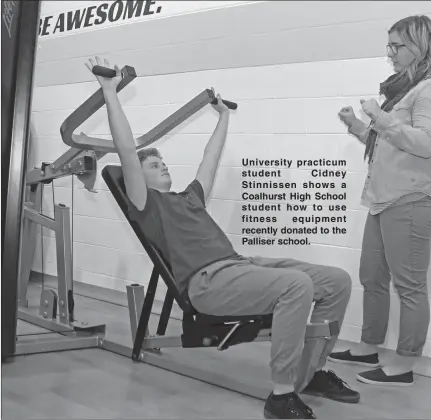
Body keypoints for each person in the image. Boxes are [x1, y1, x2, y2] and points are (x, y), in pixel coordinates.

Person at [86, 56, 360, 419]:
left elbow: (209, 158)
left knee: (337, 282)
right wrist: (109, 91)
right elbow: (125, 150)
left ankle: (307, 374)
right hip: (208, 282)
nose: (162, 165)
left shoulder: (189, 199)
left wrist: (223, 117)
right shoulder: (146, 204)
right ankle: (281, 395)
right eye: (153, 165)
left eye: (163, 162)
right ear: (139, 176)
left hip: (240, 266)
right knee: (296, 286)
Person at [331, 15, 431, 387]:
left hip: (413, 199)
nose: (391, 54)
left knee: (409, 286)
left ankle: (404, 364)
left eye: (397, 45)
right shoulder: (405, 91)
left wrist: (380, 116)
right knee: (372, 277)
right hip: (385, 200)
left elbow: (425, 142)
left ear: (421, 45)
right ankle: (369, 345)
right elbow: (390, 143)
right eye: (389, 46)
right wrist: (357, 125)